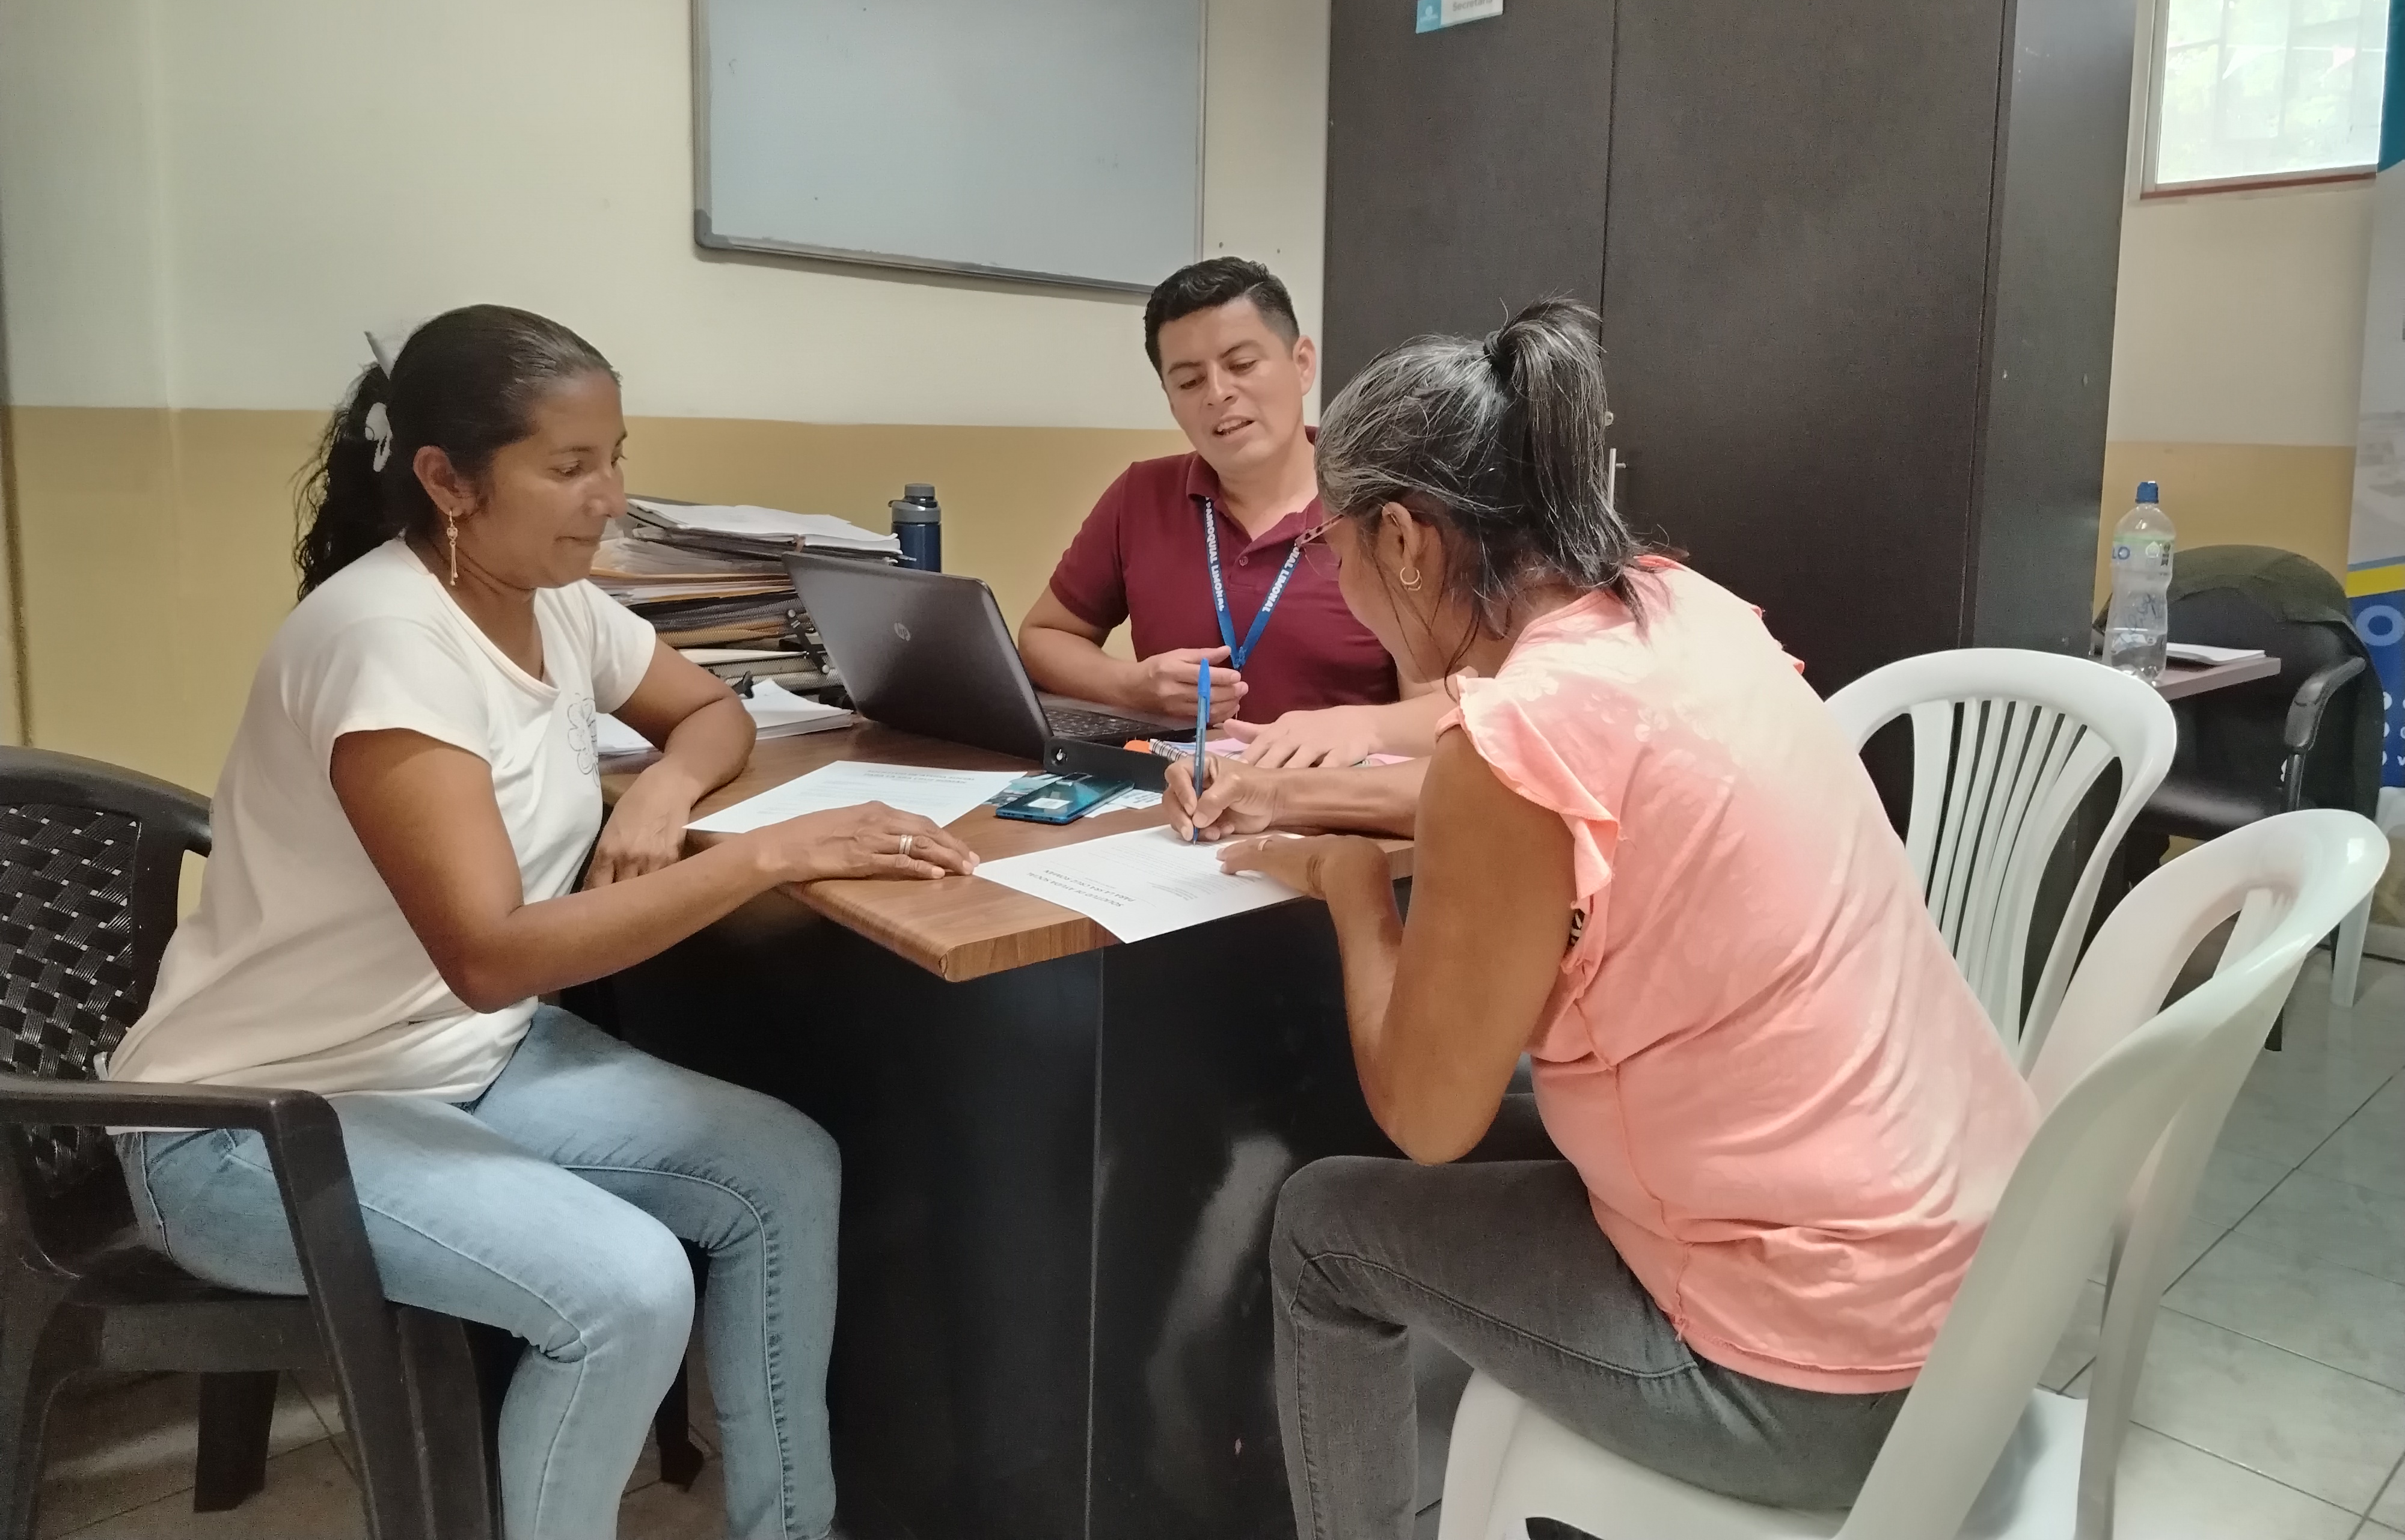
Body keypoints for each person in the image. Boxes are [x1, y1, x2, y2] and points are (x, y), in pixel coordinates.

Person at [105, 306, 976, 1540]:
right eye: (569, 468)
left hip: (457, 1065)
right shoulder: (387, 643)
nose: (609, 498)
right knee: (624, 1291)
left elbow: (713, 714)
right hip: (256, 1122)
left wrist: (664, 792)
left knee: (784, 1169)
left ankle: (789, 1527)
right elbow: (488, 955)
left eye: (614, 456)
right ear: (447, 481)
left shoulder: (553, 601)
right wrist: (769, 855)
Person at [1178, 298, 2036, 1535]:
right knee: (1520, 1103)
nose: (1340, 578)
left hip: (1822, 1382)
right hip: (1975, 1303)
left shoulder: (1516, 736)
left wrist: (1354, 893)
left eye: (1335, 548)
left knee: (1325, 1227)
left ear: (1405, 540)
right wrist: (1308, 799)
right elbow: (1573, 816)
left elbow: (1426, 1117)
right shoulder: (1679, 612)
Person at [1018, 256, 1435, 762]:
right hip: (1173, 794)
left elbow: (1451, 708)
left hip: (1330, 798)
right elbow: (1043, 637)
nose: (1218, 394)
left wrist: (1358, 725)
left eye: (1242, 365)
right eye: (1190, 382)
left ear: (1302, 363)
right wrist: (1131, 685)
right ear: (1171, 400)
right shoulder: (1142, 495)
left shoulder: (1382, 507)